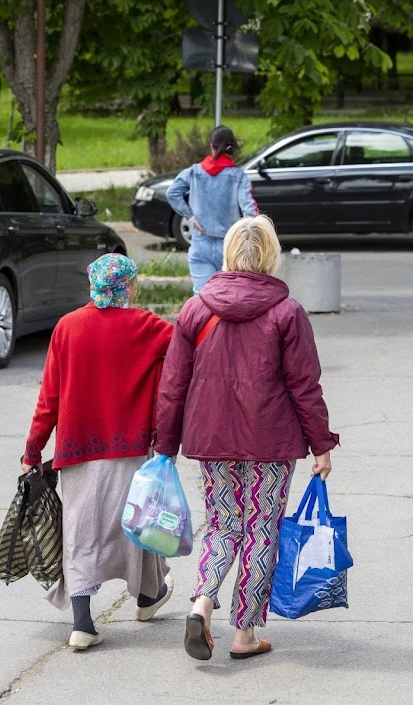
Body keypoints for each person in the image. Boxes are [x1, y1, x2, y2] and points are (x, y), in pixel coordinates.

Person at [154, 215, 339, 661]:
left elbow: (173, 382)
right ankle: (245, 634)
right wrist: (321, 444)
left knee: (222, 526)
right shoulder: (286, 313)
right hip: (270, 442)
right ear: (271, 256)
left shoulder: (197, 309)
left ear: (229, 253)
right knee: (261, 530)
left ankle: (202, 602)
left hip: (211, 438)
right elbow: (304, 383)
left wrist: (164, 446)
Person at [22, 253, 175, 651]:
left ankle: (82, 623)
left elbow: (49, 396)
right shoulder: (148, 326)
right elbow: (185, 355)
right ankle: (146, 595)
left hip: (77, 450)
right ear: (128, 285)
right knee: (137, 526)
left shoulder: (68, 327)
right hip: (130, 448)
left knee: (81, 532)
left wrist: (33, 448)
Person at [166, 125, 259, 294]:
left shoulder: (194, 172)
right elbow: (249, 209)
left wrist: (191, 217)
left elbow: (172, 193)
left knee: (203, 300)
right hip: (230, 246)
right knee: (231, 297)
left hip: (201, 243)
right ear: (231, 149)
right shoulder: (238, 176)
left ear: (211, 146)